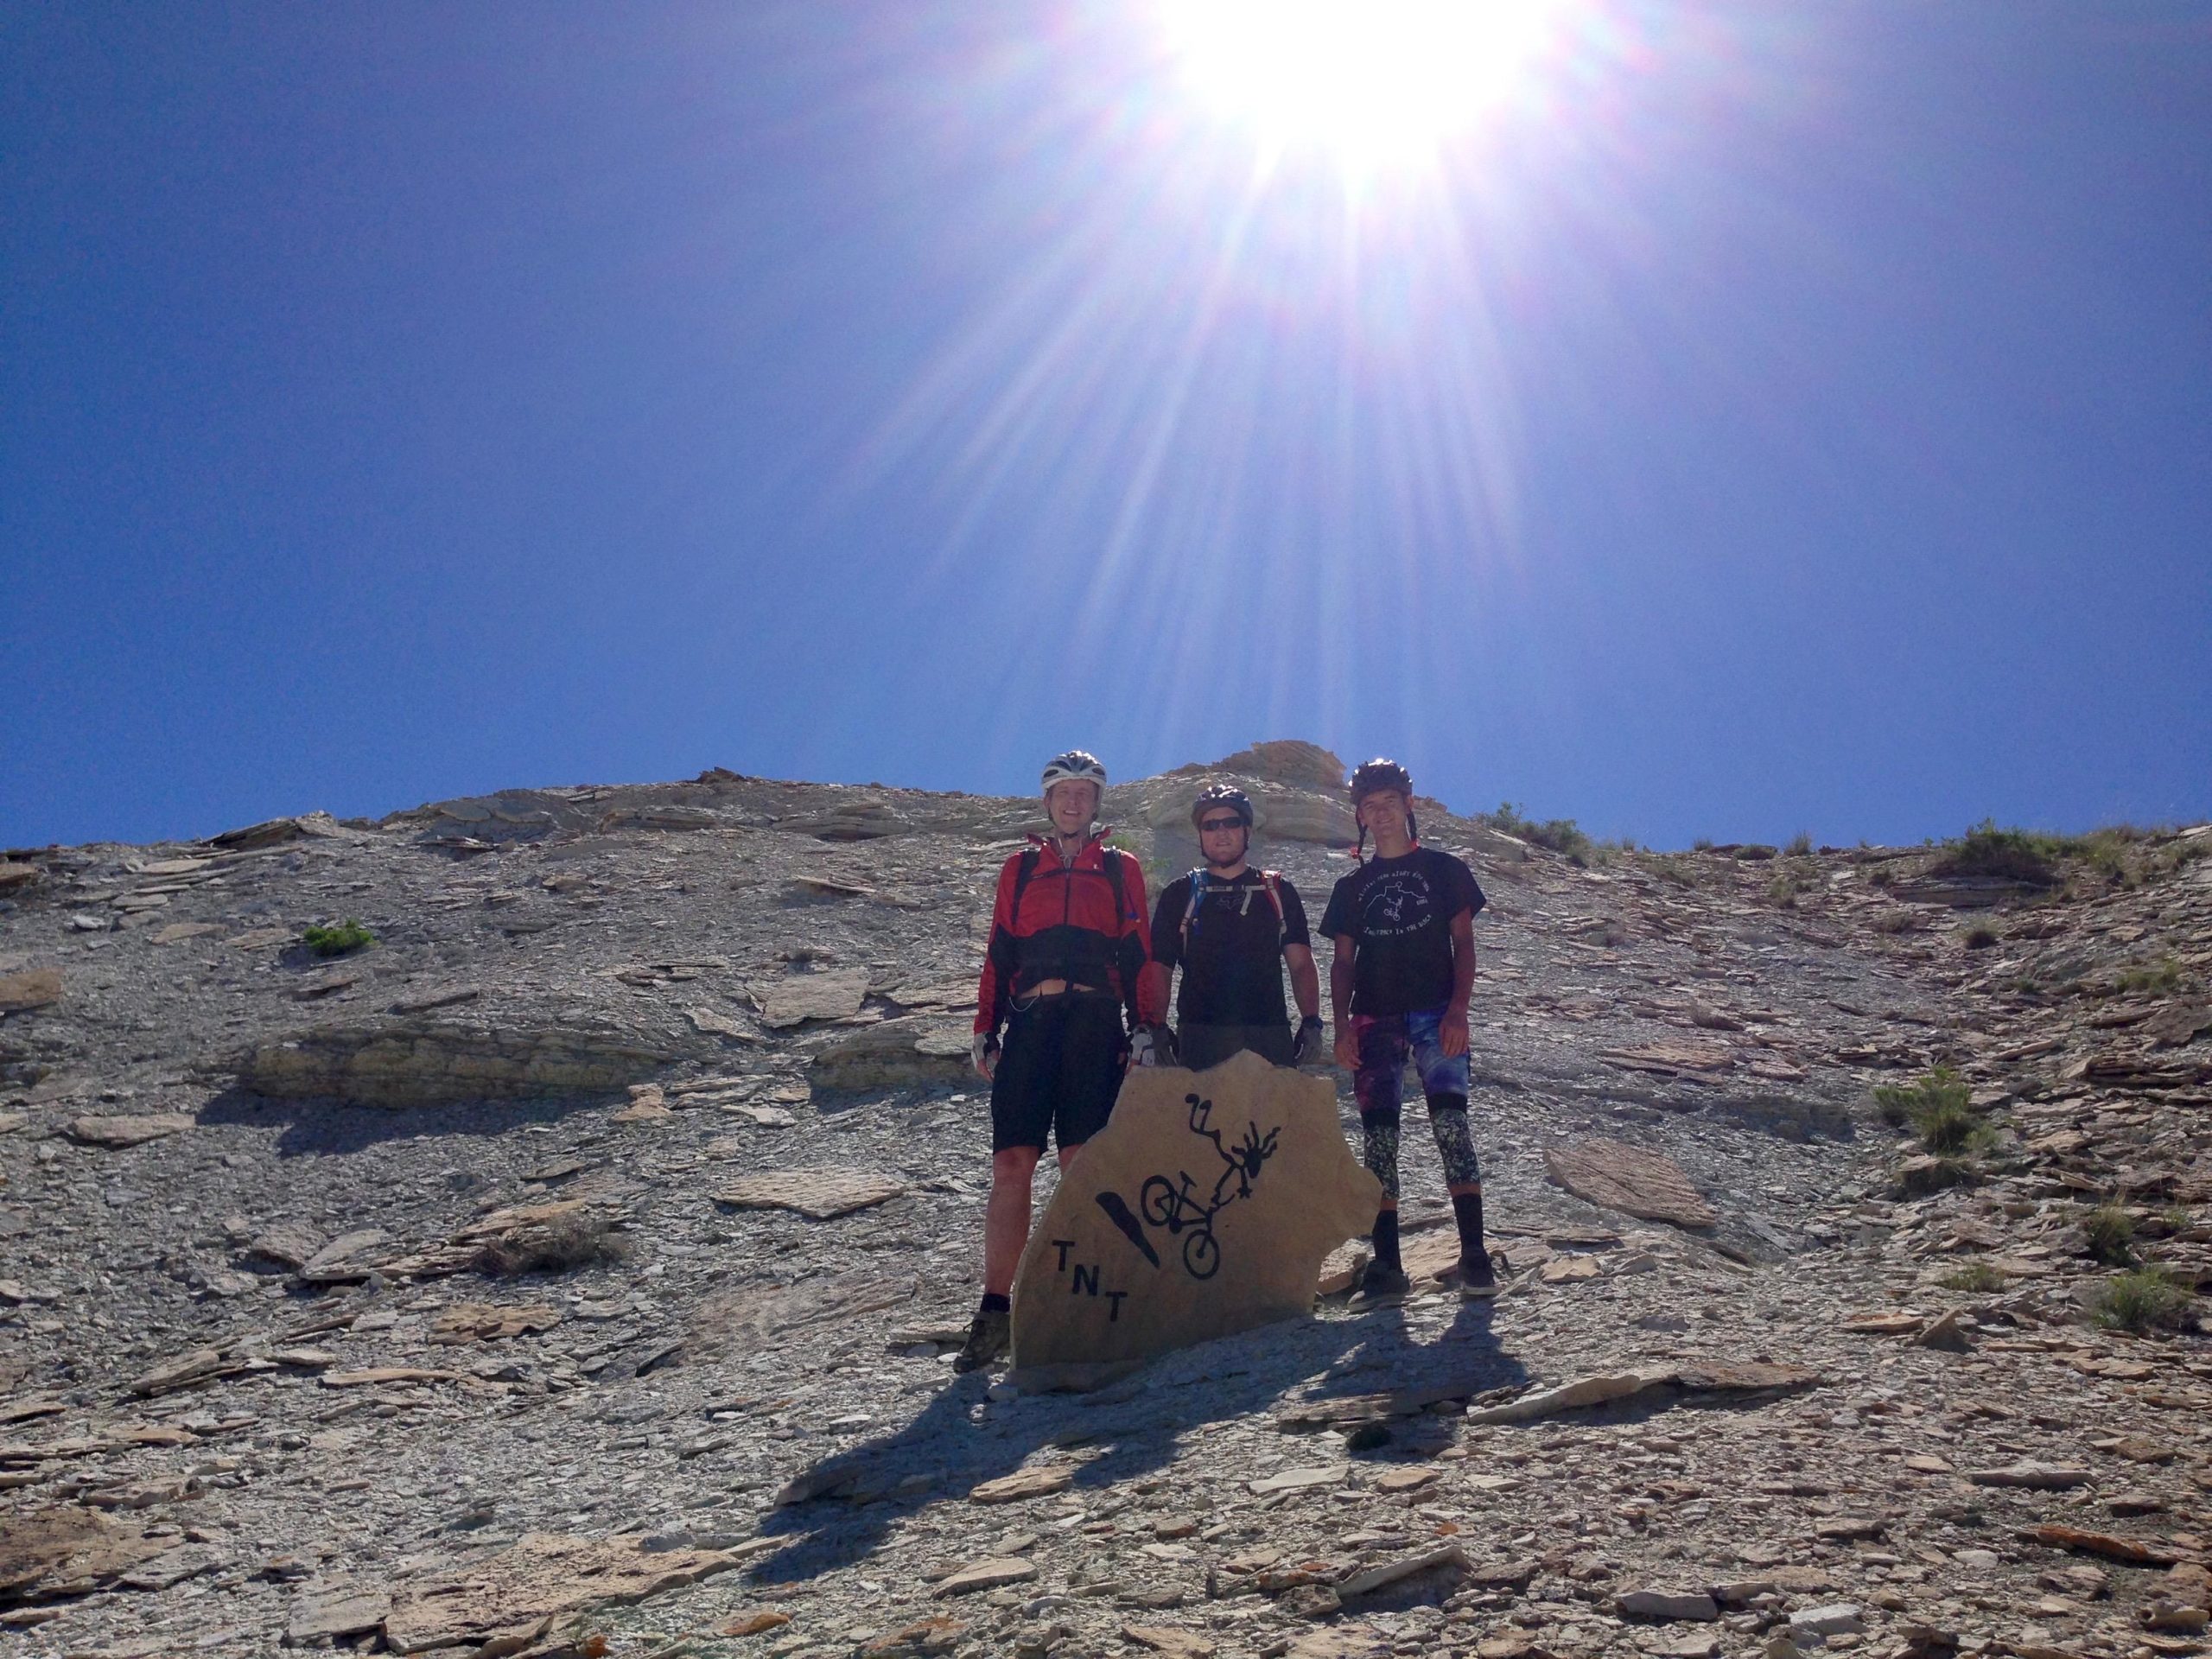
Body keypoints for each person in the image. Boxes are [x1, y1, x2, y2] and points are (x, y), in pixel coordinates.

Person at [957, 750, 1155, 1372]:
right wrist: (985, 1027)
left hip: (1096, 1025)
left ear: (1098, 804)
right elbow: (999, 952)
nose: (1074, 802)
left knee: (1081, 1163)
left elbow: (1139, 954)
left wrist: (1145, 1026)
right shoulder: (1018, 869)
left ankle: (1089, 1306)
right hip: (1032, 1024)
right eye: (1063, 793)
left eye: (1085, 793)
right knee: (1012, 1163)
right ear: (1047, 802)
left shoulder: (1122, 869)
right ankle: (994, 1313)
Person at [1319, 758, 1497, 1303]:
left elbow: (1463, 945)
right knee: (1379, 1140)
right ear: (1361, 818)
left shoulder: (1445, 870)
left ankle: (1474, 1256)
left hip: (1435, 1009)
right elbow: (1343, 962)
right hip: (1375, 1017)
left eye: (1390, 803)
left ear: (1408, 805)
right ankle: (1388, 1266)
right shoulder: (1351, 887)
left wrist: (1459, 1010)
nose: (1382, 814)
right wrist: (1342, 1024)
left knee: (1451, 1127)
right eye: (1371, 807)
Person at [1139, 784, 1325, 1071]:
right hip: (1200, 1033)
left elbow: (1300, 964)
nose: (1221, 832)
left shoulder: (1276, 890)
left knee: (1271, 1117)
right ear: (1200, 835)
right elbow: (1161, 967)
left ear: (1247, 831)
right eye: (1210, 825)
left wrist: (1312, 1020)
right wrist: (1158, 1026)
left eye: (1231, 823)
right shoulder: (1180, 893)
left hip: (1269, 1032)